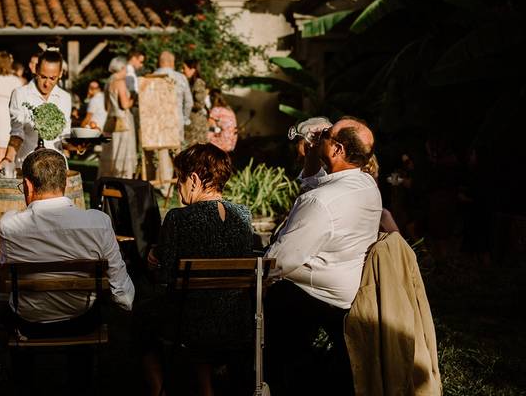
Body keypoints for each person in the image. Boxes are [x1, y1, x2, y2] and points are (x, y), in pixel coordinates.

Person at [265, 116, 382, 393]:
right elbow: (320, 190)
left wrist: (260, 273)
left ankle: (275, 381)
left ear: (339, 150)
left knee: (269, 293)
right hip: (348, 289)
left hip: (315, 295)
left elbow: (279, 261)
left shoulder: (321, 201)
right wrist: (313, 158)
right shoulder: (366, 185)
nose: (320, 136)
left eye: (327, 134)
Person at [141, 143, 255, 395]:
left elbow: (165, 280)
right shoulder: (244, 215)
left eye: (179, 178)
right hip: (237, 320)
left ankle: (162, 390)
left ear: (193, 180)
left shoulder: (178, 218)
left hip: (191, 322)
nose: (177, 185)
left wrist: (154, 262)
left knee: (141, 320)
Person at [0, 148, 134, 334]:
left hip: (28, 320)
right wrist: (125, 303)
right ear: (66, 182)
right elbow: (120, 287)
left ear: (28, 186)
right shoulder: (98, 223)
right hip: (81, 316)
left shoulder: (9, 224)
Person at [0, 49, 72, 172]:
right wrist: (8, 158)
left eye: (52, 78)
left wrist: (77, 146)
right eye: (43, 77)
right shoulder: (20, 94)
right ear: (36, 69)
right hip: (27, 164)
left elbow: (64, 136)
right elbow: (17, 132)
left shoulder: (65, 98)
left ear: (60, 74)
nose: (47, 83)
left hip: (57, 167)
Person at [99, 57, 137, 179]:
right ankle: (122, 178)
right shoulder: (120, 82)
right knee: (122, 152)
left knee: (112, 153)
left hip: (110, 121)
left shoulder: (108, 83)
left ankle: (109, 180)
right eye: (125, 68)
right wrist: (134, 98)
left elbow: (106, 106)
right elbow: (125, 105)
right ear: (121, 68)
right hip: (122, 122)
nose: (126, 71)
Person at [154, 50, 192, 129]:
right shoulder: (181, 78)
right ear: (172, 62)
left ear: (159, 62)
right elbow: (189, 102)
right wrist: (184, 119)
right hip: (177, 122)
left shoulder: (150, 78)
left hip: (157, 124)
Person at [182, 58, 211, 146]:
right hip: (191, 124)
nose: (182, 70)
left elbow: (199, 104)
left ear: (193, 69)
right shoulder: (188, 83)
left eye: (184, 68)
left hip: (197, 126)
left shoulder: (198, 82)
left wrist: (184, 103)